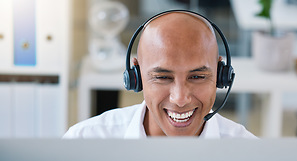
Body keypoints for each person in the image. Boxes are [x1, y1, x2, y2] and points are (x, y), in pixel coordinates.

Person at [63, 10, 256, 139]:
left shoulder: (251, 157)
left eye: (197, 77)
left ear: (220, 75)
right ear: (136, 76)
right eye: (163, 77)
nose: (180, 99)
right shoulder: (85, 141)